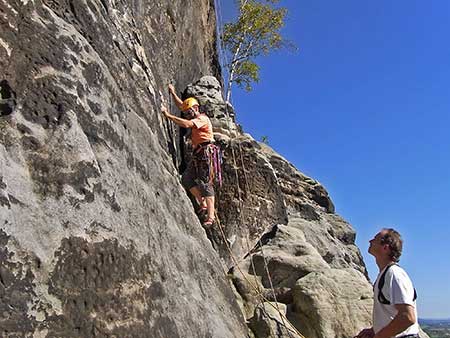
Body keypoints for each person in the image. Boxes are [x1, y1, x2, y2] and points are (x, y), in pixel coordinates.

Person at [161, 84, 216, 226]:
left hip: (206, 153)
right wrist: (173, 92)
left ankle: (211, 216)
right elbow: (182, 106)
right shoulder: (191, 112)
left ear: (196, 108)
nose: (187, 114)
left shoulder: (202, 119)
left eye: (189, 111)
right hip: (198, 154)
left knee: (205, 183)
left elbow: (186, 124)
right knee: (186, 178)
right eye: (186, 113)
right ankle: (202, 202)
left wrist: (168, 115)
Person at [355, 228, 420, 338]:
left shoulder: (395, 274)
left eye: (375, 239)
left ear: (385, 247)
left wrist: (379, 336)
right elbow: (391, 313)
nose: (370, 241)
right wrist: (374, 330)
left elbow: (407, 317)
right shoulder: (385, 274)